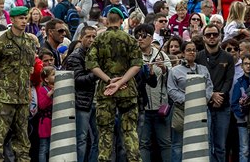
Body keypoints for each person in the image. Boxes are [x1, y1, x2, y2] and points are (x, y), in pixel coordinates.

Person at [0, 6, 39, 162]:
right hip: (4, 98)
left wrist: (26, 88)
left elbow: (30, 68)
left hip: (23, 98)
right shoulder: (1, 42)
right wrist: (1, 84)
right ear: (12, 20)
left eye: (25, 18)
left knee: (23, 139)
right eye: (20, 18)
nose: (23, 21)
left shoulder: (29, 41)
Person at [86, 9, 143, 162]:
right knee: (130, 130)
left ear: (107, 21)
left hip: (106, 90)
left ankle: (104, 159)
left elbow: (91, 64)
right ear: (121, 21)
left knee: (105, 131)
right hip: (127, 90)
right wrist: (121, 81)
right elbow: (137, 65)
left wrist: (109, 80)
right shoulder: (129, 39)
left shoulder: (98, 40)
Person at [167, 40, 214, 161]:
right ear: (182, 53)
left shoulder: (203, 69)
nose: (192, 52)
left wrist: (203, 100)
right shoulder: (175, 71)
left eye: (194, 50)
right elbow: (172, 90)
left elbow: (209, 87)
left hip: (202, 110)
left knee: (204, 141)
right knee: (178, 144)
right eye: (188, 50)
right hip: (182, 110)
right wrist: (189, 101)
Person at [196, 24, 235, 162]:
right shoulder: (197, 57)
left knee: (221, 146)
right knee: (205, 144)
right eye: (208, 35)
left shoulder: (228, 57)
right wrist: (211, 94)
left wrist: (219, 96)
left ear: (220, 36)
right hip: (203, 106)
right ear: (203, 38)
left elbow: (228, 81)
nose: (211, 37)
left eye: (214, 34)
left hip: (222, 106)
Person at [134, 24, 172, 162]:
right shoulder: (133, 55)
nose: (140, 39)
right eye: (137, 36)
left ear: (151, 38)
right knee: (143, 144)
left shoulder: (161, 55)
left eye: (143, 36)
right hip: (141, 108)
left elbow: (172, 77)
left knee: (166, 143)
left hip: (160, 106)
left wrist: (164, 69)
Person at [62, 26, 100, 162]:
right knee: (81, 139)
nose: (91, 39)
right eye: (88, 36)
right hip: (82, 103)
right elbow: (77, 80)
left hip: (98, 101)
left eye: (94, 37)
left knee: (99, 138)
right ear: (81, 38)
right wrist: (96, 74)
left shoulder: (97, 55)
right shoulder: (75, 57)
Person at [230, 53, 250, 162]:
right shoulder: (238, 83)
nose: (248, 66)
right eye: (246, 64)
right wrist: (241, 115)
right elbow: (234, 103)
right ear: (242, 66)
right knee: (244, 149)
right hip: (242, 121)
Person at [37, 66, 56, 162]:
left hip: (54, 123)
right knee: (44, 147)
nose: (56, 76)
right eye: (53, 75)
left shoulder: (58, 88)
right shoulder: (43, 90)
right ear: (46, 79)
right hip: (45, 123)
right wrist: (49, 95)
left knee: (52, 148)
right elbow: (41, 105)